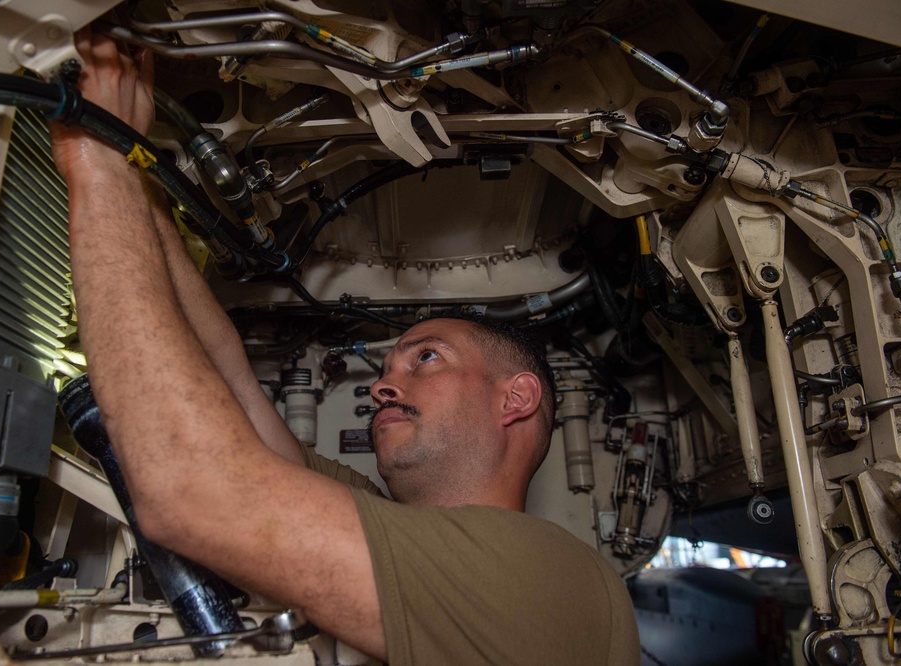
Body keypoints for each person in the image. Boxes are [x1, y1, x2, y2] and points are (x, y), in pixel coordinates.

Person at [50, 28, 640, 665]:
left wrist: (98, 161)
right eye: (387, 368)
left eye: (426, 358)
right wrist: (141, 179)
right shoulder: (400, 535)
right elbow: (234, 383)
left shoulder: (548, 580)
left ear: (517, 398)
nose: (382, 384)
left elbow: (190, 492)